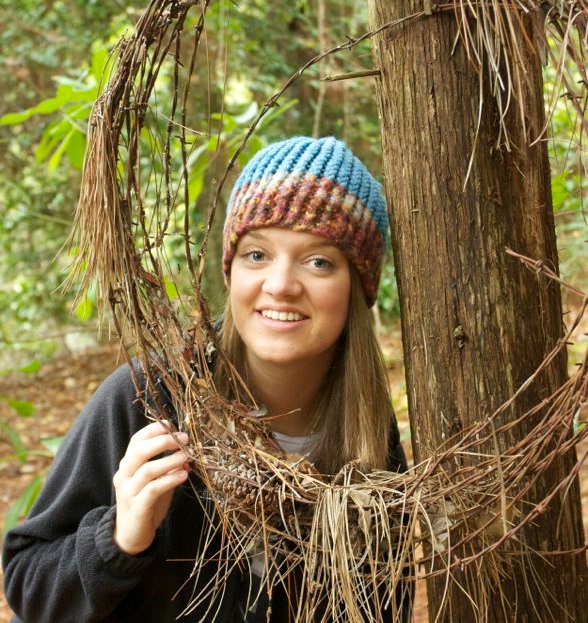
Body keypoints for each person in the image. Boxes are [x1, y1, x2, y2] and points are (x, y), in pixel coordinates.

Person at [3, 136, 409, 622]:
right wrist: (118, 539)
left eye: (319, 261)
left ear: (357, 286)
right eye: (257, 255)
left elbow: (387, 604)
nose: (279, 284)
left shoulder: (367, 434)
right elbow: (28, 584)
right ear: (231, 270)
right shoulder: (148, 398)